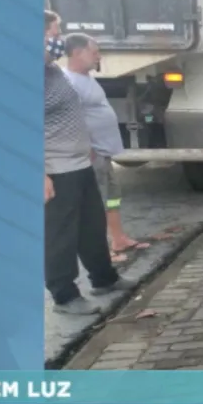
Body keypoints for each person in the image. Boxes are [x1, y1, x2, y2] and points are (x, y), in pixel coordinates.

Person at [43, 11, 135, 315]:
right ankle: (65, 295)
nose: (59, 41)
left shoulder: (52, 72)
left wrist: (89, 148)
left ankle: (104, 278)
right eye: (55, 34)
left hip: (80, 162)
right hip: (56, 169)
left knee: (92, 226)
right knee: (61, 234)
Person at [60, 33, 149, 264]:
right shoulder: (69, 82)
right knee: (96, 203)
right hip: (92, 153)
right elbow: (71, 120)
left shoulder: (87, 78)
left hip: (103, 152)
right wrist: (86, 147)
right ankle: (101, 251)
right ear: (78, 53)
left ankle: (118, 239)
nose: (98, 56)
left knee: (111, 197)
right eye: (94, 52)